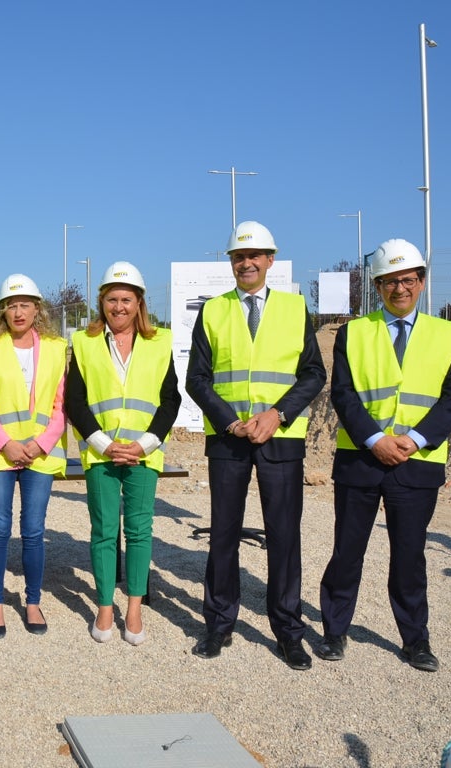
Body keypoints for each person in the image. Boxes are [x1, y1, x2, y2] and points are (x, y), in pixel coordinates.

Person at [316, 239, 451, 672]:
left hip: (417, 465)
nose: (399, 288)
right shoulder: (353, 332)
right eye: (389, 281)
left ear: (420, 282)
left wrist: (417, 439)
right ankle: (334, 632)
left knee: (409, 556)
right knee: (347, 552)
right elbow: (343, 394)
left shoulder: (446, 333)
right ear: (377, 287)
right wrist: (374, 439)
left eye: (407, 279)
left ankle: (415, 641)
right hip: (361, 460)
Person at [185, 221, 327, 670]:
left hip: (280, 440)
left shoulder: (294, 308)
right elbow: (198, 380)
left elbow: (313, 374)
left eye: (254, 256)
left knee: (284, 538)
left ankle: (288, 631)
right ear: (231, 262)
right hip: (229, 441)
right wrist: (230, 422)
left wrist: (276, 415)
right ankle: (218, 624)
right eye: (237, 257)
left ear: (270, 260)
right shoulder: (213, 311)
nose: (245, 263)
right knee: (223, 535)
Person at [64, 261, 179, 646]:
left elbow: (169, 400)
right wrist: (103, 443)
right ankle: (103, 607)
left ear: (139, 302)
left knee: (139, 531)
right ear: (102, 302)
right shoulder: (84, 342)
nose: (119, 307)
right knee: (103, 531)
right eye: (111, 299)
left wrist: (143, 444)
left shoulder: (160, 342)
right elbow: (74, 400)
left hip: (144, 454)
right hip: (101, 454)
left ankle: (133, 607)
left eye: (126, 299)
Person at [0, 274, 67, 638]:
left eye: (25, 303)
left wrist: (41, 444)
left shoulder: (57, 347)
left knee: (33, 529)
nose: (19, 310)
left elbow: (61, 404)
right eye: (12, 304)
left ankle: (32, 601)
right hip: (0, 452)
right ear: (3, 310)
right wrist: (6, 444)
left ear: (37, 308)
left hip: (40, 452)